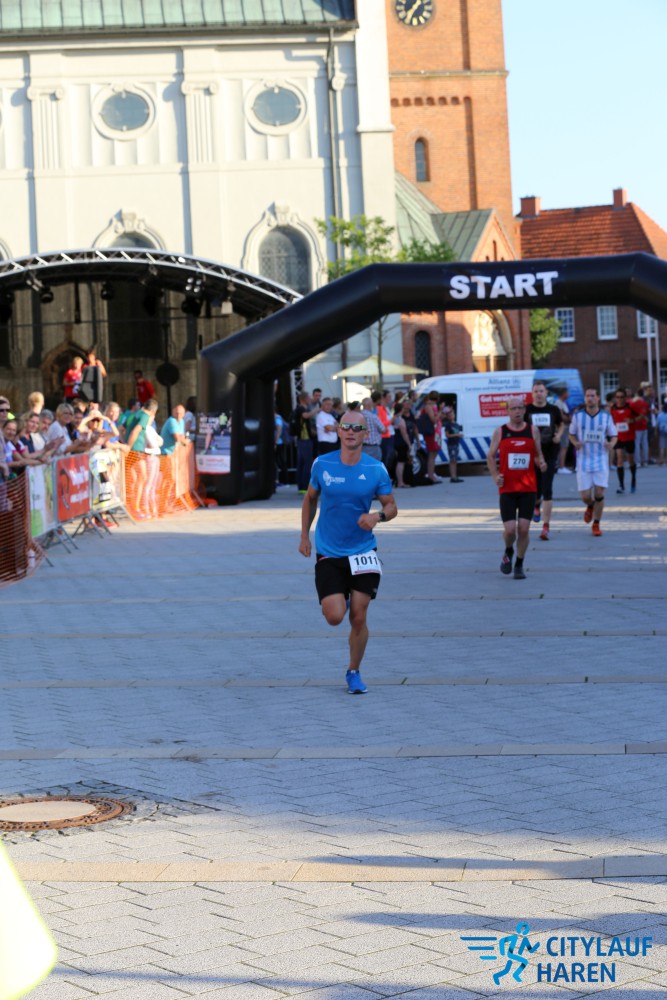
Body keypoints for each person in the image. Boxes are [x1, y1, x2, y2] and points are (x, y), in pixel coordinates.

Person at [299, 410, 397, 694]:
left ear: (366, 434)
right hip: (329, 551)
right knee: (334, 616)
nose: (351, 431)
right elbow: (310, 499)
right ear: (339, 431)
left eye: (357, 428)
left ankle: (353, 671)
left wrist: (377, 516)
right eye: (346, 427)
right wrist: (304, 535)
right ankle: (339, 592)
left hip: (363, 551)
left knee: (359, 616)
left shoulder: (376, 469)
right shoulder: (322, 463)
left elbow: (392, 506)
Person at [486, 397, 547, 579]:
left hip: (528, 487)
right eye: (513, 408)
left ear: (524, 410)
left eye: (520, 408)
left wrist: (541, 462)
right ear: (507, 411)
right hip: (507, 489)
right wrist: (495, 475)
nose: (517, 411)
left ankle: (519, 564)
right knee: (510, 530)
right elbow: (490, 456)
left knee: (524, 529)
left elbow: (538, 454)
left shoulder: (532, 430)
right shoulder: (500, 431)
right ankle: (508, 550)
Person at [569, 386, 617, 537]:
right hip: (583, 460)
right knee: (585, 496)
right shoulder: (578, 416)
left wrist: (611, 444)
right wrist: (575, 442)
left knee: (599, 493)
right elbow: (571, 434)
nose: (590, 398)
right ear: (585, 398)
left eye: (592, 396)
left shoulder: (606, 416)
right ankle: (590, 506)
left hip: (600, 459)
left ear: (597, 398)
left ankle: (596, 523)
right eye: (587, 396)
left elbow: (614, 435)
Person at [525, 380, 563, 541]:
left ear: (546, 393)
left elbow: (561, 424)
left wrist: (558, 435)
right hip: (532, 454)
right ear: (532, 394)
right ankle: (536, 505)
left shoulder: (553, 409)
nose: (539, 394)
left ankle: (546, 527)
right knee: (535, 488)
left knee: (547, 488)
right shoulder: (527, 410)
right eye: (536, 391)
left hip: (550, 452)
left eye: (541, 391)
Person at [610, 388, 637, 494]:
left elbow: (641, 417)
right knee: (620, 458)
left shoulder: (631, 407)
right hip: (618, 437)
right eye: (618, 397)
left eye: (622, 397)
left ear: (625, 398)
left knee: (630, 460)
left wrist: (632, 420)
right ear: (615, 398)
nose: (620, 399)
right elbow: (609, 420)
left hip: (629, 437)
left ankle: (633, 479)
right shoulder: (612, 408)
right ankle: (621, 485)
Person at [292, 391, 319, 494]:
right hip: (304, 439)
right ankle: (304, 486)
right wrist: (315, 410)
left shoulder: (304, 408)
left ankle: (302, 486)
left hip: (305, 439)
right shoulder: (301, 408)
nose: (310, 399)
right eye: (308, 397)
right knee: (306, 463)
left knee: (303, 463)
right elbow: (306, 416)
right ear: (304, 399)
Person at [418, 391, 444, 483]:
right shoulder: (429, 406)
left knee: (434, 453)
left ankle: (432, 474)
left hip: (436, 432)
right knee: (432, 454)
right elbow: (433, 420)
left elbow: (437, 418)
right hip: (432, 433)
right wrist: (440, 410)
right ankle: (430, 475)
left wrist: (441, 414)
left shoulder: (433, 406)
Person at [393, 398, 416, 488]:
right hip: (401, 443)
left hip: (396, 442)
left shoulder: (394, 418)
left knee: (400, 461)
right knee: (401, 462)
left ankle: (400, 481)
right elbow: (404, 433)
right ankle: (400, 482)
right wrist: (409, 444)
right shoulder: (400, 419)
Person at [442, 404, 465, 484]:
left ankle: (455, 475)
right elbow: (447, 435)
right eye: (450, 415)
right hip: (451, 444)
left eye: (452, 414)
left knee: (455, 460)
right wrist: (456, 435)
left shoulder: (456, 424)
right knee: (452, 460)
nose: (452, 416)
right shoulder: (448, 425)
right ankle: (452, 476)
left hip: (456, 444)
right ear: (448, 417)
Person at [555, 386, 573, 474]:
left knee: (564, 446)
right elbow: (560, 416)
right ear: (563, 394)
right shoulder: (558, 403)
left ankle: (561, 465)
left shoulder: (563, 403)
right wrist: (569, 419)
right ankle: (561, 467)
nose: (569, 394)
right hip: (563, 427)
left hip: (566, 427)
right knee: (564, 446)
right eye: (567, 392)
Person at [631, 387, 650, 467]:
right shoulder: (645, 403)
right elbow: (646, 413)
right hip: (644, 425)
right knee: (645, 443)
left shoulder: (633, 403)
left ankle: (638, 461)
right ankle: (645, 461)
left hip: (636, 425)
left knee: (637, 444)